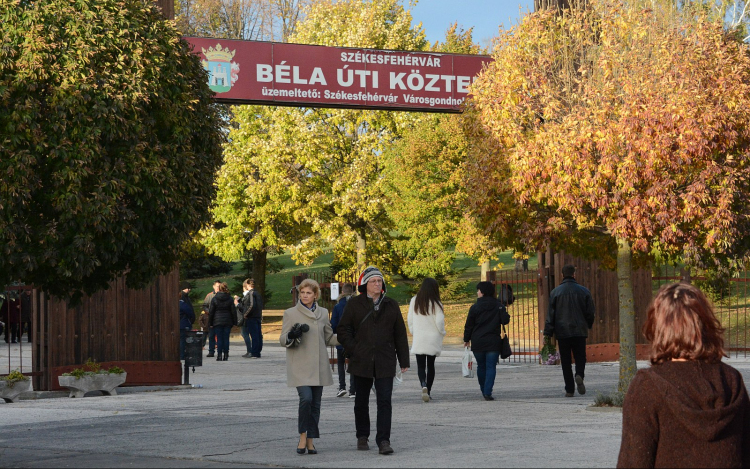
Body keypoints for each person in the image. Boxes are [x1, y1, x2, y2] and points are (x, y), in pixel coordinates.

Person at [617, 283, 750, 468]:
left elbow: (633, 462)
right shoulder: (731, 381)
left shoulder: (647, 387)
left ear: (658, 328)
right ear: (705, 325)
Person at [337, 266, 410, 455]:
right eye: (373, 281)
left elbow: (400, 334)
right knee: (361, 400)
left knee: (385, 400)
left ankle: (384, 440)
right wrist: (355, 348)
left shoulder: (391, 305)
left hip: (385, 360)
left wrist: (403, 359)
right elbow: (343, 330)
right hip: (361, 360)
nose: (377, 284)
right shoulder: (354, 304)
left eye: (379, 281)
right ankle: (362, 435)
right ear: (365, 284)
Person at [279, 278, 338, 455]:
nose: (304, 296)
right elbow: (283, 339)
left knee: (316, 404)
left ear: (315, 295)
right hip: (300, 365)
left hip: (319, 366)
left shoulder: (323, 312)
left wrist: (348, 336)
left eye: (308, 293)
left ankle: (311, 440)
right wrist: (291, 334)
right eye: (302, 292)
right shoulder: (290, 313)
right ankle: (303, 436)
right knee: (306, 399)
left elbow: (329, 338)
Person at [543, 264, 595, 397]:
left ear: (562, 275)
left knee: (565, 360)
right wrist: (588, 324)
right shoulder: (584, 291)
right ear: (574, 274)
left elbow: (551, 315)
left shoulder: (555, 292)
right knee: (580, 357)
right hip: (579, 330)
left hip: (562, 331)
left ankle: (569, 389)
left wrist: (548, 332)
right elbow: (590, 312)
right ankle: (579, 375)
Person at [407, 277, 446, 402]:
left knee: (420, 366)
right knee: (431, 365)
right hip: (432, 338)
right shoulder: (436, 303)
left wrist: (414, 331)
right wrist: (442, 332)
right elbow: (439, 321)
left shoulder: (414, 301)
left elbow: (410, 319)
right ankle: (428, 390)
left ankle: (423, 384)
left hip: (420, 337)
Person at [463, 281, 503, 401]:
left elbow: (469, 325)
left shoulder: (475, 307)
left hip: (478, 340)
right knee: (491, 366)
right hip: (493, 340)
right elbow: (505, 320)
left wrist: (466, 339)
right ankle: (488, 391)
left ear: (483, 292)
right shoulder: (498, 306)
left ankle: (483, 388)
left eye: (478, 290)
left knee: (481, 366)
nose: (477, 292)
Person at [330, 283, 355, 398]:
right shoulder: (356, 305)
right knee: (353, 363)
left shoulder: (338, 306)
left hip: (341, 339)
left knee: (341, 363)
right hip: (353, 339)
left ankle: (342, 387)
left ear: (342, 292)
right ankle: (353, 390)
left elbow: (333, 323)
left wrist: (336, 331)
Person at [208, 282, 237, 361]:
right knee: (226, 338)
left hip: (217, 321)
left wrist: (210, 323)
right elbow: (233, 311)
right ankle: (226, 354)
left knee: (219, 338)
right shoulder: (230, 298)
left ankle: (219, 355)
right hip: (227, 320)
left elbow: (211, 312)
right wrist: (235, 322)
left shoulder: (215, 298)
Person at [245, 279, 263, 359]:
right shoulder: (258, 293)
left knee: (254, 335)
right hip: (258, 316)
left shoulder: (251, 293)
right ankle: (258, 351)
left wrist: (246, 314)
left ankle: (255, 352)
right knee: (258, 334)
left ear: (248, 285)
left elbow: (252, 305)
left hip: (252, 316)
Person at [235, 279, 254, 358]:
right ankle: (250, 351)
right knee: (246, 334)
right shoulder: (249, 295)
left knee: (245, 334)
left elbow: (244, 307)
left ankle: (249, 351)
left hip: (245, 318)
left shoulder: (248, 295)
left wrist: (237, 304)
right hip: (248, 317)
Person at [202, 280, 221, 357]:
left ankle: (220, 350)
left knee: (220, 335)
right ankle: (211, 351)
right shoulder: (209, 296)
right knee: (211, 335)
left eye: (219, 286)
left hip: (219, 318)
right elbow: (204, 306)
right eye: (217, 286)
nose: (218, 288)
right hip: (212, 317)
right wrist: (208, 312)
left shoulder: (223, 295)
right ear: (213, 286)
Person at [179, 281, 196, 360]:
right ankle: (182, 355)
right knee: (183, 340)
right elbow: (189, 311)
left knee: (182, 340)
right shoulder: (182, 301)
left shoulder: (185, 297)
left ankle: (182, 354)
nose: (189, 290)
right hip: (184, 323)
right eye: (187, 288)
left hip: (182, 322)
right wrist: (191, 318)